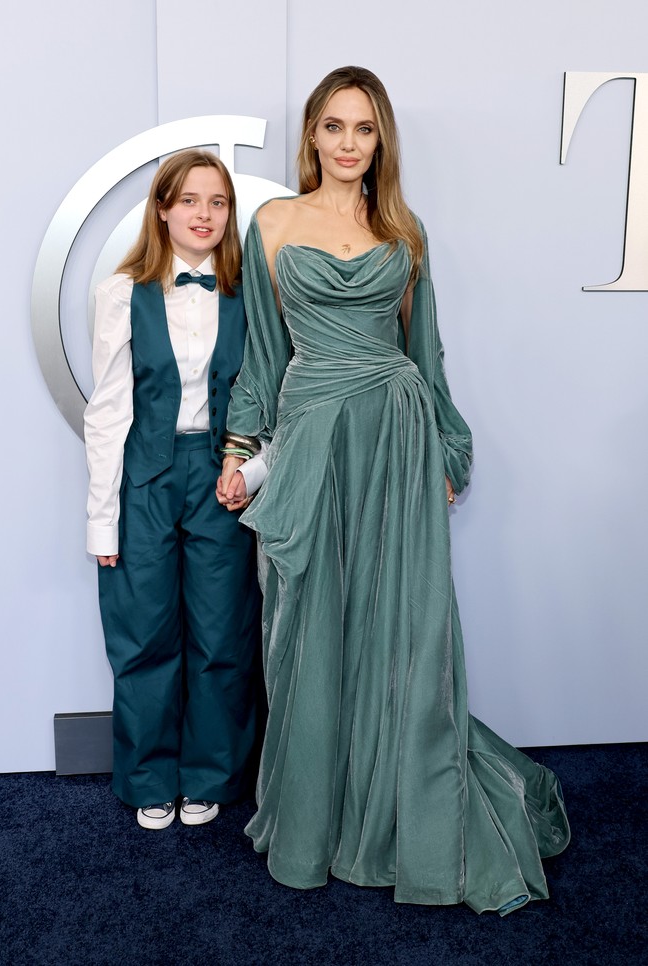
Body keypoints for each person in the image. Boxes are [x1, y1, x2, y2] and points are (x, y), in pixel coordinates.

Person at [217, 67, 570, 914]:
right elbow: (264, 358)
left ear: (381, 142)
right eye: (333, 127)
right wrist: (239, 449)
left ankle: (395, 812)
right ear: (311, 136)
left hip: (397, 438)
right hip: (310, 441)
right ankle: (313, 820)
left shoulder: (404, 231)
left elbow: (427, 352)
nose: (347, 143)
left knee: (401, 630)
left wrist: (447, 447)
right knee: (305, 626)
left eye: (363, 129)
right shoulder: (271, 223)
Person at [84, 149, 263, 831]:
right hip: (145, 476)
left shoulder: (253, 293)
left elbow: (270, 397)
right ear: (162, 208)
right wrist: (101, 521)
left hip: (223, 478)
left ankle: (210, 774)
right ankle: (148, 777)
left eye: (217, 203)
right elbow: (105, 411)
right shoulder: (122, 292)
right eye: (189, 200)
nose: (204, 215)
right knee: (143, 635)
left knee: (221, 635)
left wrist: (252, 470)